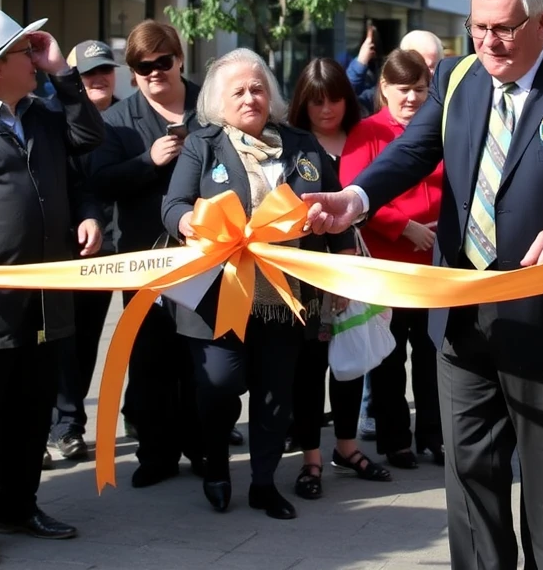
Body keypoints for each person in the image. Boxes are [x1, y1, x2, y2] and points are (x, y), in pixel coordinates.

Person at [302, 0, 543, 570]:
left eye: (505, 28)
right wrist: (353, 200)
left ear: (541, 22)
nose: (489, 41)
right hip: (463, 319)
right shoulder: (459, 78)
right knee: (470, 479)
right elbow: (411, 151)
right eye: (478, 27)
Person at [162, 48, 356, 520]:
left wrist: (344, 254)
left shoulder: (301, 143)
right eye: (239, 91)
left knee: (276, 393)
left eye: (258, 89)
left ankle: (265, 484)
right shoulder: (202, 144)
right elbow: (171, 206)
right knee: (220, 384)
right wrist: (192, 221)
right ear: (217, 100)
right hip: (217, 294)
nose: (250, 98)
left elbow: (336, 210)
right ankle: (215, 468)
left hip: (284, 296)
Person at [0, 11, 105, 567]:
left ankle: (17, 504)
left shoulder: (43, 115)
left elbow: (88, 140)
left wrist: (62, 74)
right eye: (26, 51)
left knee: (31, 412)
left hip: (46, 296)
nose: (36, 56)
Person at [90, 21, 203, 488]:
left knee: (203, 357)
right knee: (151, 359)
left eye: (162, 61)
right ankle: (156, 455)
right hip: (144, 258)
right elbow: (99, 181)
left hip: (205, 254)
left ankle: (204, 448)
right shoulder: (117, 120)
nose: (155, 72)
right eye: (143, 66)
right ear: (132, 71)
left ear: (178, 58)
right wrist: (146, 162)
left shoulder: (208, 105)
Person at [286, 58, 390, 499]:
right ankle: (311, 456)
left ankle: (346, 447)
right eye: (316, 101)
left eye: (334, 99)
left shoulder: (366, 136)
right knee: (307, 370)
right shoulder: (290, 143)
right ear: (301, 104)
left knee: (350, 364)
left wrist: (347, 269)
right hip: (305, 273)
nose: (326, 109)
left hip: (353, 267)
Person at [340, 49, 445, 471]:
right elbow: (354, 192)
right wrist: (404, 226)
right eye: (403, 90)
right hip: (387, 264)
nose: (412, 99)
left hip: (435, 265)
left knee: (433, 354)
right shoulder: (366, 133)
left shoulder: (442, 129)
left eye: (420, 90)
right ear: (383, 88)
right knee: (387, 358)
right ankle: (395, 440)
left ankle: (434, 437)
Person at [49, 40, 121, 464]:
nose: (98, 78)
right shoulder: (54, 116)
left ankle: (69, 424)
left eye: (105, 70)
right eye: (87, 72)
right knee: (57, 342)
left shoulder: (130, 119)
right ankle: (58, 424)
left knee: (87, 340)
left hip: (110, 253)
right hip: (60, 253)